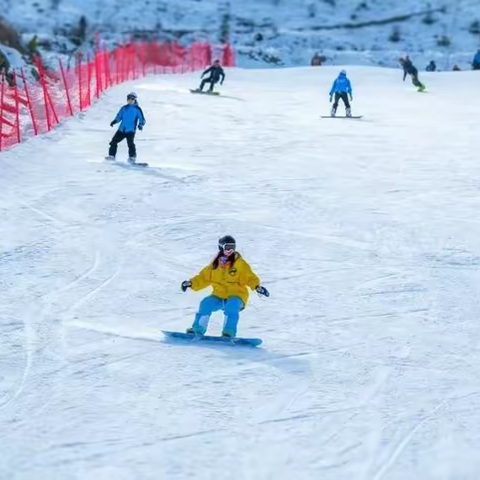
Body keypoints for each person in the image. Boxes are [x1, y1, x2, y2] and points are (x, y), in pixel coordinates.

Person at [181, 235, 269, 338]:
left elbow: (250, 277)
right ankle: (198, 329)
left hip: (237, 295)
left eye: (233, 247)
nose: (230, 250)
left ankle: (228, 332)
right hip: (219, 295)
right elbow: (203, 278)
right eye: (227, 247)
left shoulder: (240, 264)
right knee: (206, 303)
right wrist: (191, 283)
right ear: (221, 247)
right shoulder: (214, 265)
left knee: (231, 306)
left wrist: (257, 287)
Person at [106, 92, 146, 164]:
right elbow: (119, 116)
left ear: (135, 100)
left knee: (130, 143)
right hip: (122, 129)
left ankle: (132, 157)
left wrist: (140, 125)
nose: (130, 101)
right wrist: (114, 121)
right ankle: (111, 156)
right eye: (129, 99)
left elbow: (142, 119)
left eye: (132, 99)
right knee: (113, 142)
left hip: (130, 130)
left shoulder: (137, 109)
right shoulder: (124, 108)